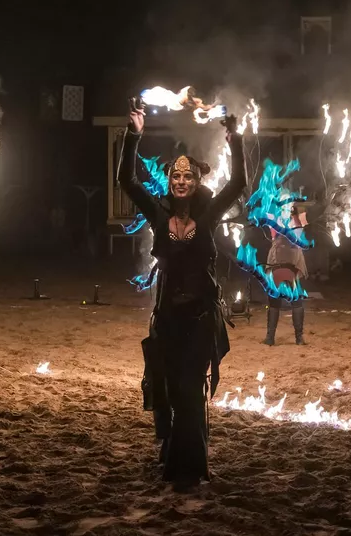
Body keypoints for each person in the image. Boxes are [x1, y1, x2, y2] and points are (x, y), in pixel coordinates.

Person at [118, 97, 246, 488]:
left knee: (191, 392)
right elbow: (127, 181)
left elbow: (239, 183)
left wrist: (235, 139)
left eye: (189, 178)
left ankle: (188, 469)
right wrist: (133, 135)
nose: (182, 182)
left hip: (200, 320)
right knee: (174, 396)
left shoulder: (208, 215)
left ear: (197, 182)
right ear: (170, 181)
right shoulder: (159, 215)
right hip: (168, 322)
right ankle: (179, 462)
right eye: (176, 177)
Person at [263, 218, 308, 346]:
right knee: (295, 303)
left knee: (275, 304)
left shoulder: (279, 223)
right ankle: (297, 338)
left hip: (282, 266)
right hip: (287, 267)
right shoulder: (290, 225)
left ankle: (270, 338)